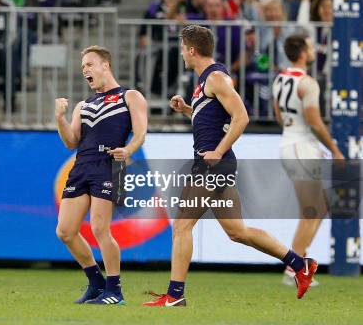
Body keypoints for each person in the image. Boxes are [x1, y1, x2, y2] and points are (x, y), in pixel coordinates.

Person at [143, 25, 317, 307]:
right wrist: (188, 110)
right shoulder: (205, 81)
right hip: (217, 163)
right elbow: (215, 120)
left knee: (181, 226)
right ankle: (300, 264)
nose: (181, 53)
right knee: (237, 231)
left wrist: (218, 151)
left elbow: (242, 117)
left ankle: (175, 296)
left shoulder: (216, 78)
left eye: (182, 47)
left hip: (213, 164)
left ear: (191, 50)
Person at [55, 45, 147, 305]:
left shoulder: (129, 96)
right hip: (82, 166)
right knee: (65, 231)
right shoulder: (83, 105)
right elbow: (71, 142)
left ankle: (115, 291)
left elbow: (140, 132)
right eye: (83, 66)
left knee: (99, 228)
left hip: (108, 165)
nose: (85, 69)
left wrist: (128, 149)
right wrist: (60, 117)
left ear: (105, 65)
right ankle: (96, 283)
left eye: (90, 64)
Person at [271, 34, 344, 286]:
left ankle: (297, 265)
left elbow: (279, 117)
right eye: (310, 46)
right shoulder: (308, 83)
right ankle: (294, 269)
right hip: (301, 146)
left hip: (289, 143)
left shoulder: (280, 79)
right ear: (302, 52)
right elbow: (314, 121)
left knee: (320, 207)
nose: (313, 50)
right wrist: (334, 149)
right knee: (311, 210)